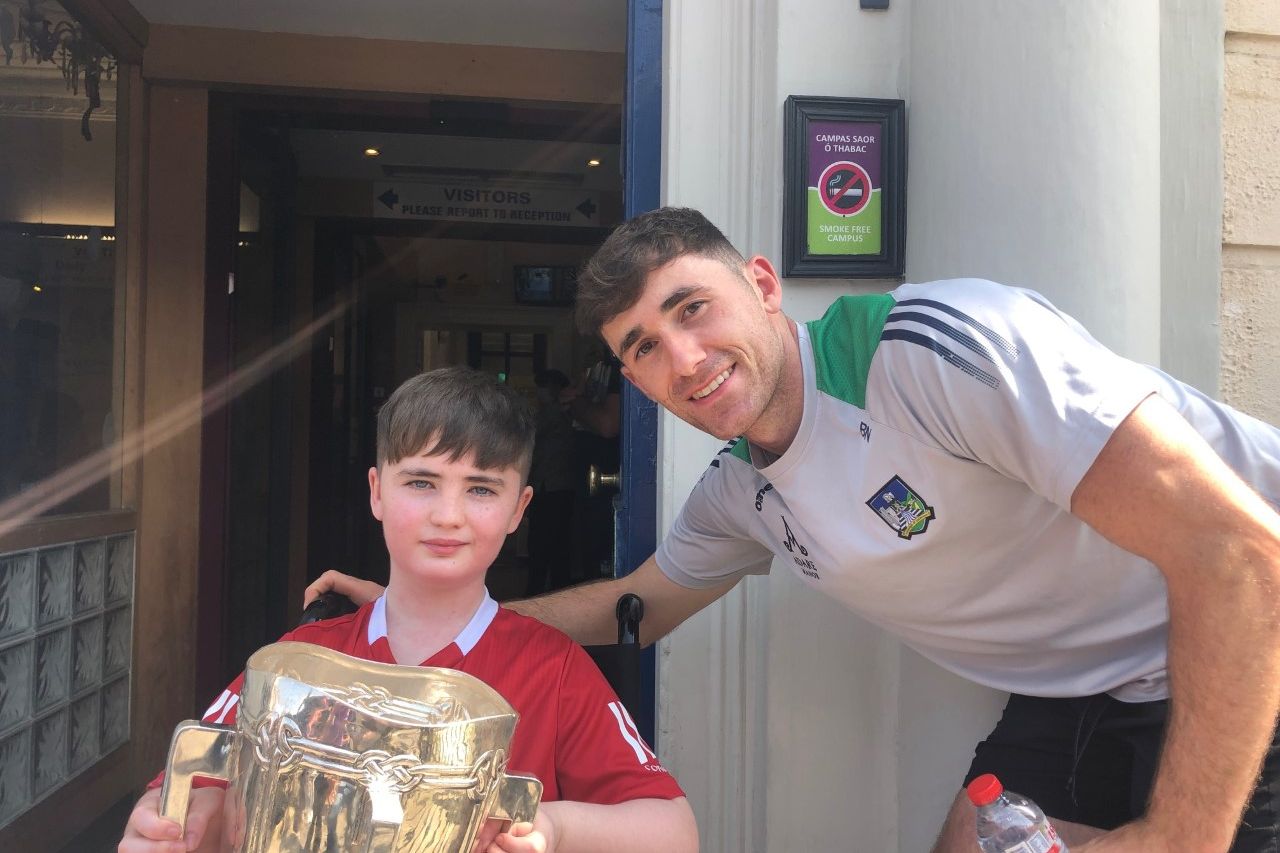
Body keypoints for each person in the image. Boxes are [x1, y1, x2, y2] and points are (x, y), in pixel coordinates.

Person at [308, 208, 1280, 852]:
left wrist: (1175, 840)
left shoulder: (933, 352)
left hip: (1243, 634)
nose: (682, 357)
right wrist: (436, 608)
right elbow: (633, 604)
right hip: (1079, 690)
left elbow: (1236, 554)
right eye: (642, 347)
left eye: (693, 309)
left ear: (762, 286)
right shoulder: (741, 491)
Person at [120, 366, 696, 853]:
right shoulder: (300, 661)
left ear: (520, 509)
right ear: (376, 491)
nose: (448, 514)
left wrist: (553, 823)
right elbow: (190, 781)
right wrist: (184, 818)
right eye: (421, 482)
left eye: (481, 489)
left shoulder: (556, 669)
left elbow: (674, 831)